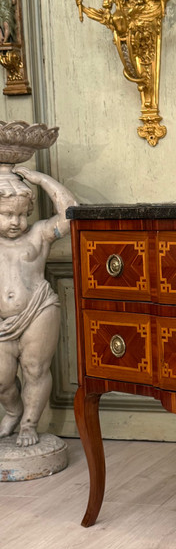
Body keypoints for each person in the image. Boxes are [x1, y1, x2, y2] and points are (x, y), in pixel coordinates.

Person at [0, 166, 77, 447]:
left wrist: (42, 180)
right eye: (7, 214)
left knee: (35, 369)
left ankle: (29, 424)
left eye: (21, 214)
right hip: (3, 322)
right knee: (2, 379)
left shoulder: (38, 235)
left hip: (39, 309)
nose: (16, 222)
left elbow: (71, 215)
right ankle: (13, 410)